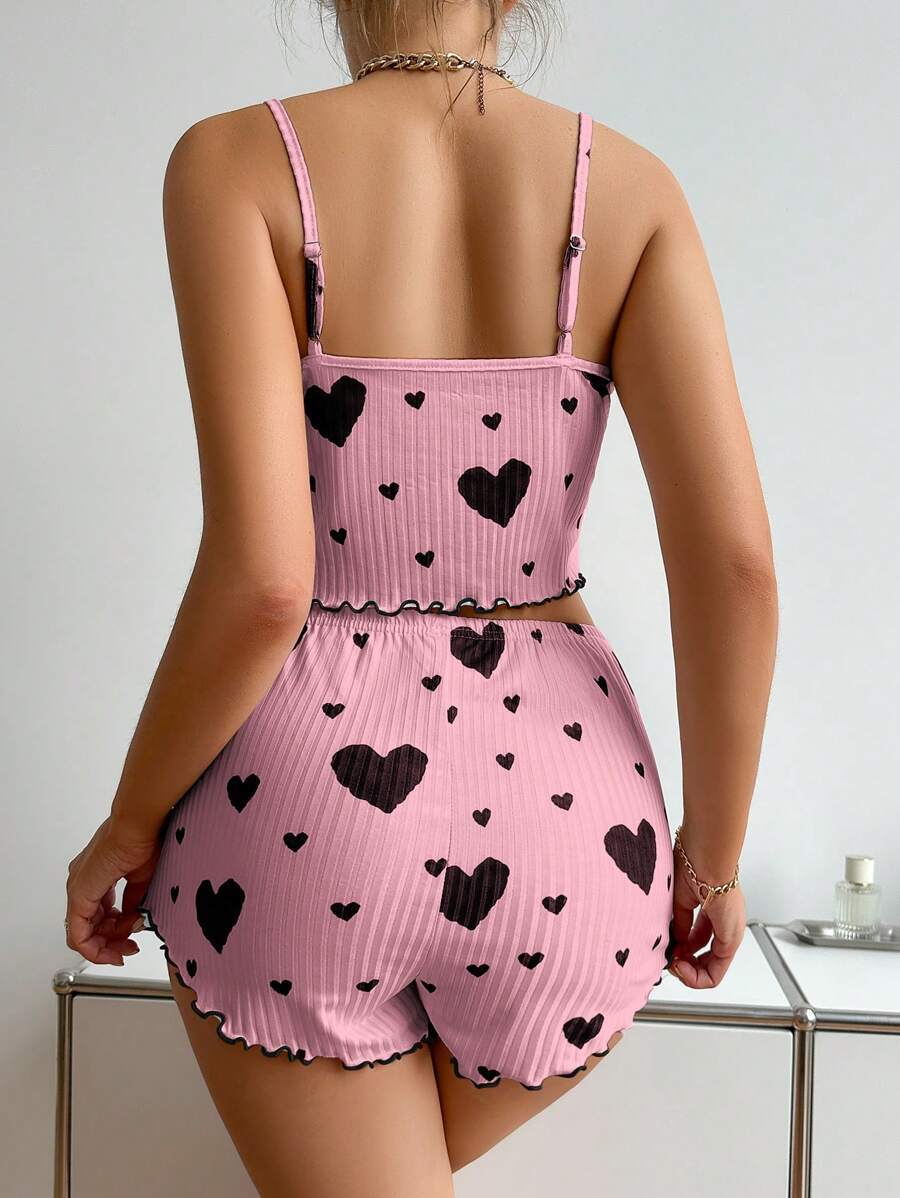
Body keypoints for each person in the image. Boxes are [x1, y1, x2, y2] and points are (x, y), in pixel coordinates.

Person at [64, 1, 778, 1193]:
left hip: (301, 816)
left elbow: (265, 583)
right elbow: (737, 565)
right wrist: (712, 863)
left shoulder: (237, 161)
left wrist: (126, 826)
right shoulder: (632, 188)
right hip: (572, 825)